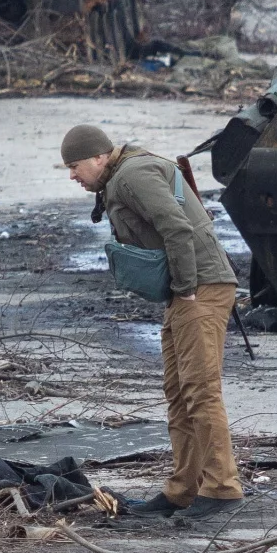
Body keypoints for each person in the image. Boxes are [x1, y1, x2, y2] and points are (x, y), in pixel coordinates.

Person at [60, 124, 243, 519]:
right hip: (189, 290)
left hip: (201, 287)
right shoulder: (122, 175)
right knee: (178, 392)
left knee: (200, 391)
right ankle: (182, 490)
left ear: (99, 158)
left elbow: (176, 226)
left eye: (75, 166)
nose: (72, 175)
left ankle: (223, 488)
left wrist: (187, 287)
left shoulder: (133, 175)